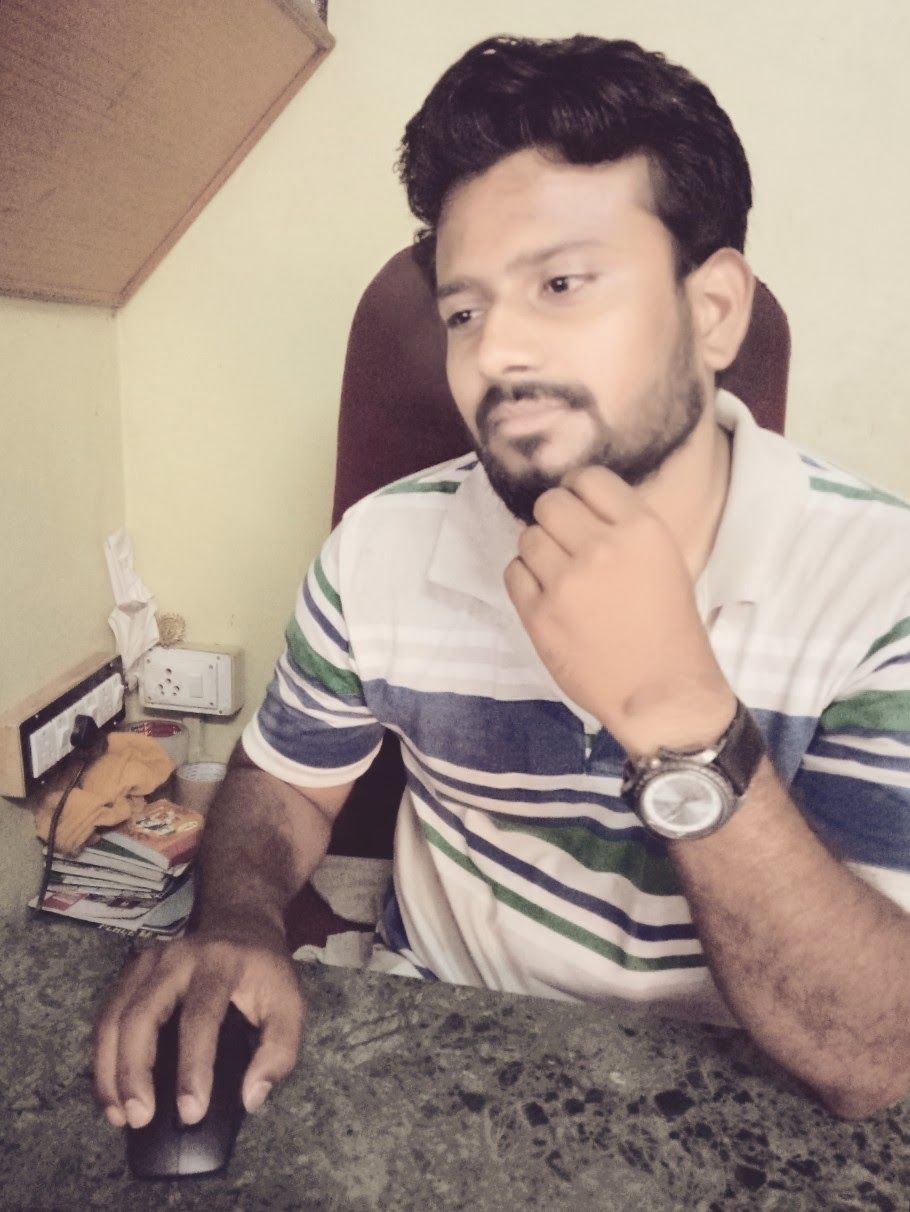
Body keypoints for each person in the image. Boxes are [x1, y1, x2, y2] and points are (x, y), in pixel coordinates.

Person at [94, 35, 910, 1126]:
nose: (495, 353)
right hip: (433, 1045)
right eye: (464, 311)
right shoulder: (382, 546)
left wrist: (680, 721)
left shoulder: (881, 587)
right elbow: (286, 785)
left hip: (739, 1097)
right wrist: (236, 920)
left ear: (713, 310)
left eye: (561, 283)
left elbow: (873, 1057)